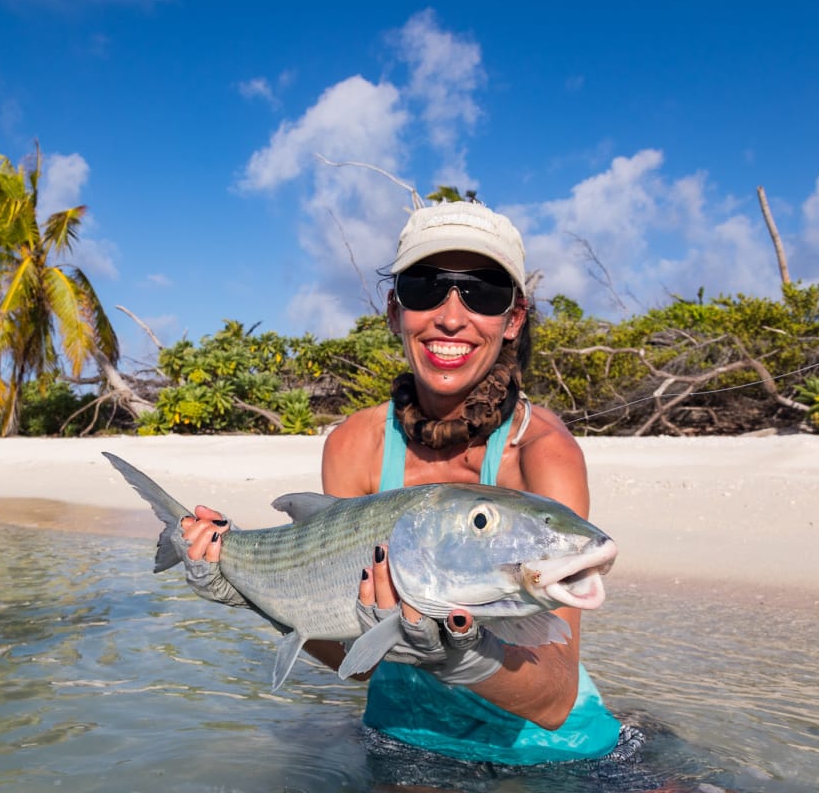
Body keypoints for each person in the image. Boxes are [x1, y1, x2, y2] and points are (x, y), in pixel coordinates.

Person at [179, 201, 634, 771]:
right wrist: (249, 589)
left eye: (483, 292)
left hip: (552, 755)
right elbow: (359, 660)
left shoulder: (544, 453)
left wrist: (460, 657)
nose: (450, 316)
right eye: (425, 287)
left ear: (513, 319)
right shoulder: (354, 444)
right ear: (395, 310)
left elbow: (553, 697)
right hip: (402, 742)